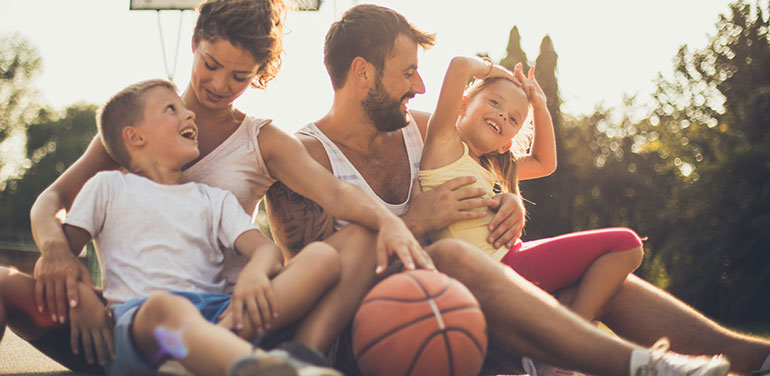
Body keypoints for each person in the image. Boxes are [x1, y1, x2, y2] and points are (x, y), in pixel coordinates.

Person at [264, 4, 770, 376]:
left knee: (599, 280)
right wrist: (414, 220)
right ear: (362, 73)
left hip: (470, 297)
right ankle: (638, 367)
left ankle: (751, 359)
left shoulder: (419, 128)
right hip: (384, 328)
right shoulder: (304, 155)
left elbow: (498, 160)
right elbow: (314, 279)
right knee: (461, 262)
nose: (420, 86)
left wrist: (507, 196)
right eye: (408, 72)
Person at [4, 0, 426, 372]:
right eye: (211, 64)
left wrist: (391, 224)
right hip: (145, 320)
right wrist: (63, 264)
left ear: (260, 73)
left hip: (236, 312)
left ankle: (299, 361)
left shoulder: (261, 141)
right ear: (195, 42)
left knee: (361, 237)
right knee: (5, 283)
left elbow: (334, 195)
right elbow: (53, 200)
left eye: (240, 75)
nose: (220, 85)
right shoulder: (137, 124)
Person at [62, 77, 346, 375]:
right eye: (171, 109)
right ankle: (261, 367)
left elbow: (267, 251)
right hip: (142, 327)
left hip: (221, 315)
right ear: (135, 137)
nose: (189, 114)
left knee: (322, 258)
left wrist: (256, 271)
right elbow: (63, 253)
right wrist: (79, 296)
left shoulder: (214, 200)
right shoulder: (107, 187)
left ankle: (209, 356)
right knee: (165, 307)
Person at [419, 56, 644, 324]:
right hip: (498, 266)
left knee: (613, 259)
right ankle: (572, 335)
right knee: (625, 244)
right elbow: (459, 66)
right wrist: (503, 74)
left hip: (508, 261)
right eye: (494, 102)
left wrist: (540, 106)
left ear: (506, 144)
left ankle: (569, 330)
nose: (503, 114)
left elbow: (544, 163)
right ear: (463, 105)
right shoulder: (443, 142)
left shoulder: (490, 166)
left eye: (513, 118)